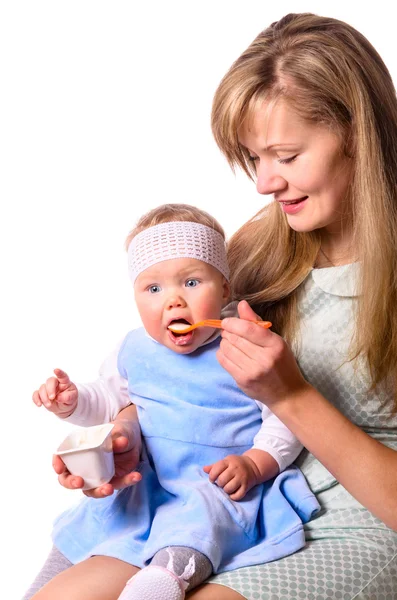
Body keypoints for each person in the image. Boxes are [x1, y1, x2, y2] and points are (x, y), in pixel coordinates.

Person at [184, 11, 397, 600]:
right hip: (242, 509)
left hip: (358, 532)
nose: (264, 183)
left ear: (358, 133)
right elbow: (182, 377)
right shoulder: (261, 247)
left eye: (286, 155)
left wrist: (290, 395)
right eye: (254, 158)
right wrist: (125, 442)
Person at [24, 203, 318, 600]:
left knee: (201, 522)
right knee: (96, 526)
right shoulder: (134, 349)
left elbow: (284, 417)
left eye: (192, 283)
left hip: (215, 482)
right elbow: (110, 400)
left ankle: (160, 584)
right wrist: (72, 401)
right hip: (147, 485)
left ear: (226, 288)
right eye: (154, 288)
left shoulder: (242, 345)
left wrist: (254, 463)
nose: (174, 301)